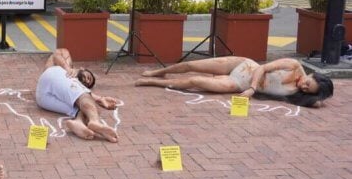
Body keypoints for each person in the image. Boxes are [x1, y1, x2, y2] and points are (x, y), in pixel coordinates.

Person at [135, 56, 334, 108]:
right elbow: (263, 68)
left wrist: (318, 96)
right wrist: (253, 89)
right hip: (244, 66)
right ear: (311, 74)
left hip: (236, 83)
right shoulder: (293, 65)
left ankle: (153, 83)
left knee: (196, 81)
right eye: (308, 82)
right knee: (192, 65)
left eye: (308, 90)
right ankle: (158, 72)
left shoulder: (300, 96)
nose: (304, 87)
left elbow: (317, 102)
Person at [37, 49, 120, 142]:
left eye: (88, 84)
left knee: (84, 107)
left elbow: (80, 93)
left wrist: (100, 99)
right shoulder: (67, 69)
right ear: (82, 69)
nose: (87, 81)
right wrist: (67, 68)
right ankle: (94, 121)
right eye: (88, 77)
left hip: (43, 98)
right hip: (52, 74)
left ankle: (78, 122)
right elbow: (57, 54)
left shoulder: (70, 82)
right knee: (85, 98)